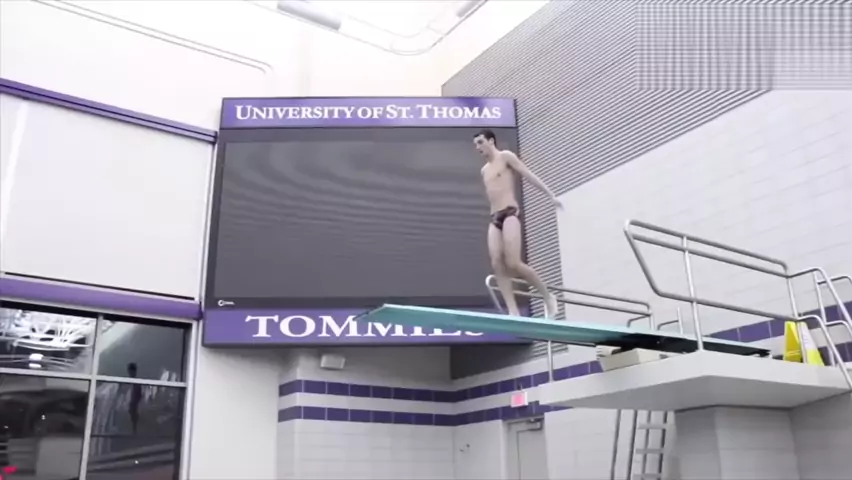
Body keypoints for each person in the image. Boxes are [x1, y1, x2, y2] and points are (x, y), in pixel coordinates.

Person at [474, 128, 562, 319]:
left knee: (513, 262)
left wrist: (550, 195)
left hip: (510, 212)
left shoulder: (505, 157)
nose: (478, 147)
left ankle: (547, 296)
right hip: (495, 216)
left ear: (491, 141)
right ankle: (512, 310)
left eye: (480, 142)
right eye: (476, 144)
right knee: (496, 261)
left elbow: (527, 174)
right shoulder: (484, 171)